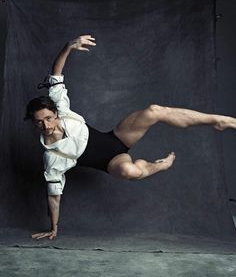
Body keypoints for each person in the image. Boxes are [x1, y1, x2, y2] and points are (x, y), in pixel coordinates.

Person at [26, 35, 236, 240]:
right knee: (131, 170)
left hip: (116, 138)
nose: (47, 125)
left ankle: (219, 121)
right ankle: (159, 166)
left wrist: (68, 47)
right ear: (33, 123)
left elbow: (56, 74)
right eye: (39, 122)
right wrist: (54, 228)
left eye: (49, 118)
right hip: (112, 162)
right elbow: (54, 197)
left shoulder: (60, 107)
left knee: (154, 111)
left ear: (55, 113)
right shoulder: (52, 158)